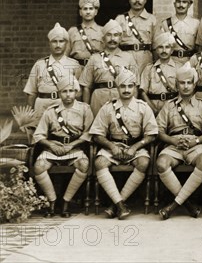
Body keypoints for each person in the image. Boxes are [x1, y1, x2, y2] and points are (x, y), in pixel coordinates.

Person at [89, 68, 158, 220]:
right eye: (122, 86)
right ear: (117, 87)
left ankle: (117, 205)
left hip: (136, 146)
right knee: (99, 162)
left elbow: (152, 134)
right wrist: (112, 146)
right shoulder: (108, 107)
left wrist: (135, 147)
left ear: (134, 87)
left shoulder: (143, 107)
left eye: (130, 86)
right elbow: (96, 134)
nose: (126, 90)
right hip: (113, 146)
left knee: (144, 162)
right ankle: (121, 205)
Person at [155, 62, 202, 220]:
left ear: (194, 84)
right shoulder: (169, 106)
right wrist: (173, 141)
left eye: (189, 83)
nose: (186, 86)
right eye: (182, 83)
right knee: (161, 163)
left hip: (195, 144)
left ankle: (174, 205)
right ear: (177, 84)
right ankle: (187, 203)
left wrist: (195, 141)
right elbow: (159, 131)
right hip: (174, 144)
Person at [32, 77, 94, 218]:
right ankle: (52, 202)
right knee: (39, 166)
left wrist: (72, 145)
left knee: (84, 164)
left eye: (71, 91)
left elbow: (89, 133)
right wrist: (51, 144)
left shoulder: (84, 109)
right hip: (53, 147)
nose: (68, 94)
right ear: (59, 93)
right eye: (64, 91)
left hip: (75, 147)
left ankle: (66, 201)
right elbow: (39, 135)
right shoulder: (51, 111)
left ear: (76, 92)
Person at [24, 23, 82, 125]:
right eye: (54, 41)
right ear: (49, 43)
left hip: (64, 105)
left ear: (66, 43)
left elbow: (78, 93)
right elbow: (31, 92)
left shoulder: (74, 65)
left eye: (61, 41)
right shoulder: (39, 64)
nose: (58, 45)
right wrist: (29, 117)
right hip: (42, 106)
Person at [80, 19, 137, 116]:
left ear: (120, 38)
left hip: (121, 97)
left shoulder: (129, 58)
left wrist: (132, 106)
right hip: (99, 99)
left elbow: (135, 86)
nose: (112, 39)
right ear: (103, 38)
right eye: (109, 35)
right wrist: (86, 109)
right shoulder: (94, 58)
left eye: (116, 35)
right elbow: (86, 87)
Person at [115, 0, 156, 72]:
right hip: (125, 59)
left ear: (145, 0)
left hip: (145, 60)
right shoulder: (120, 19)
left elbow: (156, 46)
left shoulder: (152, 20)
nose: (137, 0)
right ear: (129, 0)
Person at [155, 0, 200, 67]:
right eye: (178, 2)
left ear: (189, 5)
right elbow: (160, 47)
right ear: (174, 4)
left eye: (184, 2)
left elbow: (199, 47)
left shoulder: (196, 24)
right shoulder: (165, 24)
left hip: (190, 63)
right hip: (171, 63)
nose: (181, 5)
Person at [139, 32, 178, 114]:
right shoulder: (149, 68)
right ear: (156, 50)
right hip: (153, 108)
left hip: (173, 109)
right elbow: (143, 92)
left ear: (172, 51)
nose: (164, 51)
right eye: (160, 47)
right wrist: (153, 109)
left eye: (167, 47)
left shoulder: (178, 68)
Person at [68, 0, 103, 66]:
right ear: (80, 12)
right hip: (76, 68)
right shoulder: (72, 31)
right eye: (85, 9)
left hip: (95, 68)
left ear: (96, 12)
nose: (88, 12)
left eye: (91, 9)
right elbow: (65, 54)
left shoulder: (103, 31)